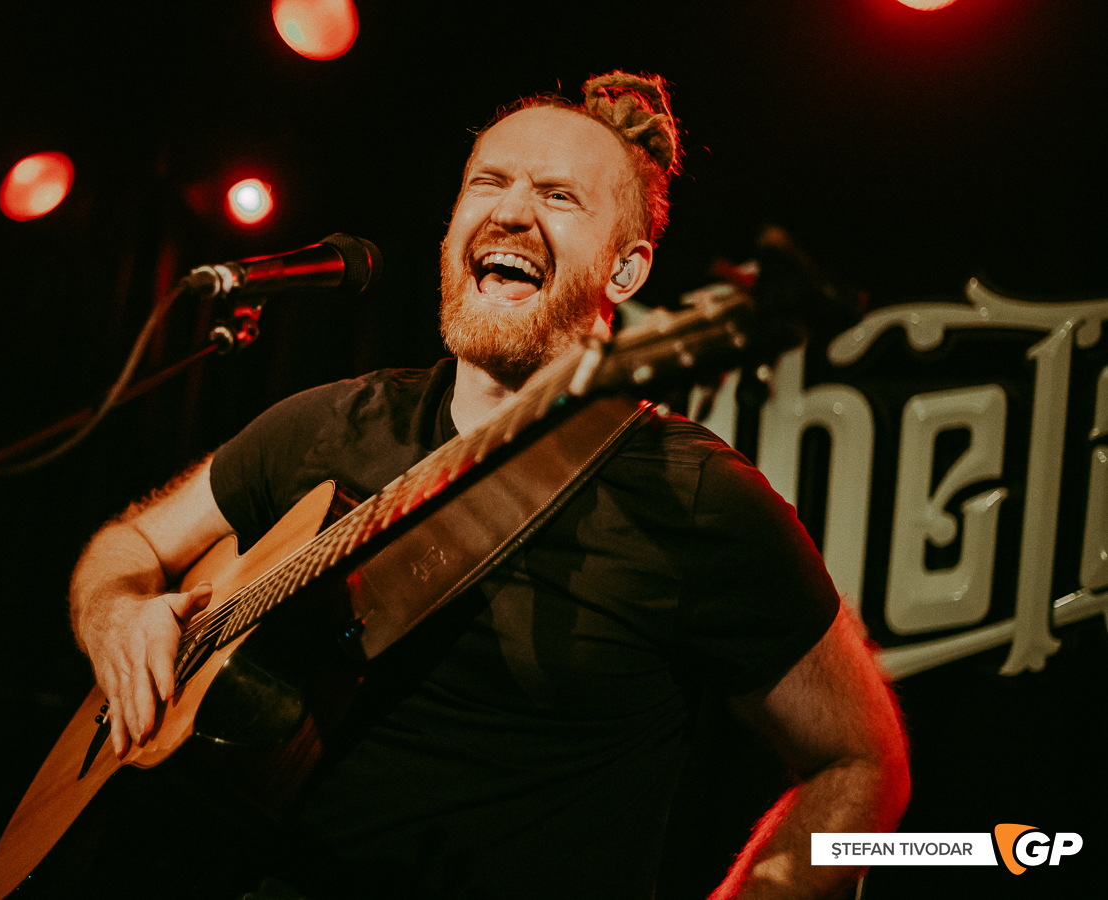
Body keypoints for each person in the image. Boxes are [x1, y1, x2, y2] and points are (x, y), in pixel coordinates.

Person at [69, 72, 909, 899]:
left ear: (625, 273)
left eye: (559, 196)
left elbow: (863, 759)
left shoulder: (694, 495)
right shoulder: (333, 423)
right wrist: (117, 611)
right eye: (489, 183)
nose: (510, 212)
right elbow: (132, 544)